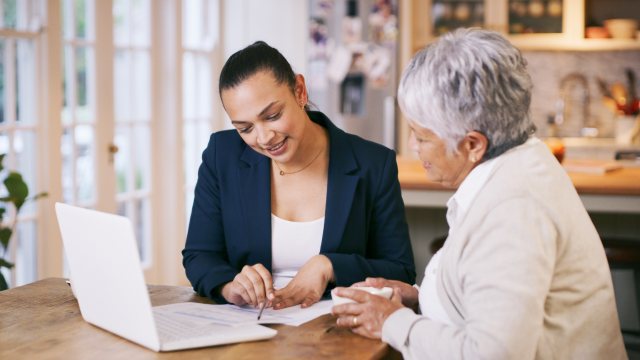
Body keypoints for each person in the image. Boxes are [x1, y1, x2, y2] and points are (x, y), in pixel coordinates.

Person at [331, 29, 627, 359]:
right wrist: (419, 296)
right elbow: (490, 293)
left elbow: (493, 353)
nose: (413, 147)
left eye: (421, 136)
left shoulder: (513, 212)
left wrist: (392, 322)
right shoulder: (520, 160)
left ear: (473, 145)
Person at [182, 41, 415, 311]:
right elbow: (199, 255)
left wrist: (329, 266)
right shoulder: (221, 155)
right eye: (245, 128)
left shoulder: (373, 163)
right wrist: (229, 286)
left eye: (272, 115)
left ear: (300, 91)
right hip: (251, 328)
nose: (264, 138)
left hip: (336, 330)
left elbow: (401, 272)